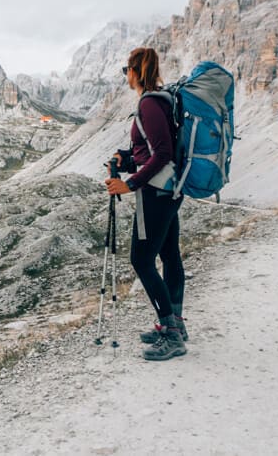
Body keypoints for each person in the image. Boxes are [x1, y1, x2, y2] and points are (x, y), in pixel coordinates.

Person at [105, 47, 186, 362]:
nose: (125, 74)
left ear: (137, 71)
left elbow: (162, 152)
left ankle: (171, 334)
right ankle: (175, 323)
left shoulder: (149, 104)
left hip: (156, 191)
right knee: (168, 254)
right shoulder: (159, 100)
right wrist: (124, 159)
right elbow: (149, 151)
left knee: (140, 259)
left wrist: (131, 183)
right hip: (169, 189)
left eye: (127, 69)